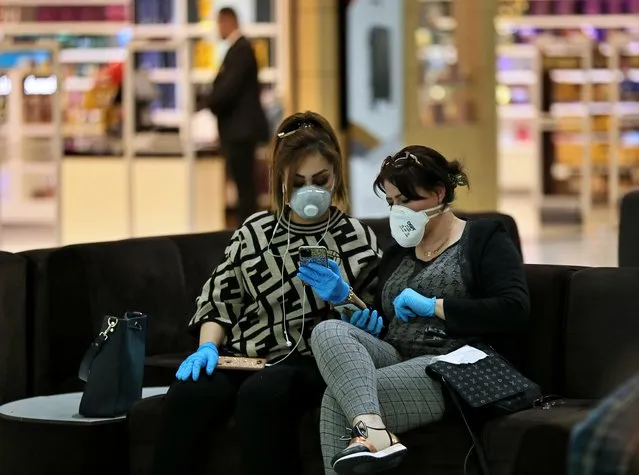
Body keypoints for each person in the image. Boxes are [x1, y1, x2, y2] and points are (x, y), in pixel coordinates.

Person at [150, 111, 383, 475]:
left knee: (263, 394)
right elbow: (220, 297)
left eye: (321, 180)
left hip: (310, 360)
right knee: (191, 392)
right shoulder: (255, 231)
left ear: (336, 176)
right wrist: (208, 346)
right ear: (280, 181)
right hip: (246, 355)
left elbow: (374, 316)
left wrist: (347, 299)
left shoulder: (355, 237)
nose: (311, 191)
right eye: (298, 182)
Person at [302, 145, 530, 475]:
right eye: (392, 202)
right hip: (398, 355)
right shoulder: (398, 253)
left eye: (407, 201)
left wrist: (434, 306)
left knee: (336, 399)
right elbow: (387, 323)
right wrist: (347, 301)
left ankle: (373, 434)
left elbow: (514, 309)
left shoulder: (483, 238)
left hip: (450, 366)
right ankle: (376, 433)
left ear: (438, 193)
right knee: (327, 330)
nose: (398, 211)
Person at [208, 6, 269, 223]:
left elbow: (227, 90)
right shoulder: (238, 50)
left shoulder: (241, 50)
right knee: (244, 186)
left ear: (227, 22)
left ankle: (250, 232)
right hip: (238, 131)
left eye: (219, 24)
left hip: (240, 132)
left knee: (245, 188)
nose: (218, 30)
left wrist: (210, 102)